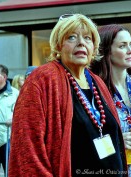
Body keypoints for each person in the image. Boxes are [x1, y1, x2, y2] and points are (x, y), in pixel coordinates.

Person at [8, 14, 128, 177]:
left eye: (87, 38)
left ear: (94, 46)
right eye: (71, 37)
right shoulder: (42, 80)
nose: (81, 43)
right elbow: (27, 149)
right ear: (58, 45)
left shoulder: (97, 82)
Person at [90, 24, 131, 176]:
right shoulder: (94, 91)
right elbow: (85, 140)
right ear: (106, 51)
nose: (130, 50)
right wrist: (117, 141)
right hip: (111, 169)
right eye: (123, 46)